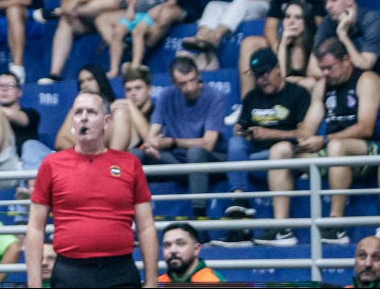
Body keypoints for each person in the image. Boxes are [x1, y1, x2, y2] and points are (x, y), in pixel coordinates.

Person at [27, 91, 158, 288]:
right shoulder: (51, 164)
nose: (84, 118)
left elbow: (146, 227)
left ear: (106, 121)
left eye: (91, 112)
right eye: (78, 113)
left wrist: (151, 282)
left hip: (120, 270)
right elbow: (35, 228)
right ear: (72, 122)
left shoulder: (130, 164)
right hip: (70, 272)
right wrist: (34, 283)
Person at [285, 37, 380, 245]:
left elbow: (366, 127)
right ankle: (281, 229)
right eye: (322, 69)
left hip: (369, 151)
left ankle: (335, 224)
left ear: (346, 60)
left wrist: (325, 139)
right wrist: (301, 139)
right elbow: (309, 127)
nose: (325, 73)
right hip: (333, 153)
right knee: (281, 152)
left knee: (336, 147)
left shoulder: (367, 79)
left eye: (329, 67)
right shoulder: (323, 86)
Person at [215, 48, 311, 247]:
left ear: (278, 69)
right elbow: (241, 128)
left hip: (285, 156)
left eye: (265, 73)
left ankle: (276, 227)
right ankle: (239, 202)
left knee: (279, 149)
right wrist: (241, 131)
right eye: (257, 75)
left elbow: (304, 134)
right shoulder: (252, 97)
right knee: (235, 143)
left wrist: (272, 134)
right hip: (254, 157)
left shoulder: (297, 93)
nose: (261, 80)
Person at [134, 56, 226, 219]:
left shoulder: (214, 96)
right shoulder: (166, 95)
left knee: (195, 152)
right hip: (177, 160)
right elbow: (152, 133)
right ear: (174, 82)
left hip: (209, 160)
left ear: (199, 74)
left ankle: (200, 218)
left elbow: (209, 143)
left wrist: (173, 142)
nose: (190, 87)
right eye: (183, 83)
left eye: (193, 80)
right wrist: (151, 145)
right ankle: (132, 215)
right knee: (135, 155)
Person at [236, 0, 318, 98]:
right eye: (287, 17)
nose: (291, 21)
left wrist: (292, 81)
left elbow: (313, 83)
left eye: (298, 17)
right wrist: (283, 45)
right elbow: (280, 81)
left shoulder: (315, 45)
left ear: (307, 21)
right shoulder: (281, 45)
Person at [313, 0, 380, 71]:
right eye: (325, 2)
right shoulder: (327, 22)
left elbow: (365, 65)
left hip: (373, 77)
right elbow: (312, 68)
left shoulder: (372, 20)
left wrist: (343, 35)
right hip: (342, 78)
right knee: (318, 83)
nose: (328, 6)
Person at [159, 223, 225, 283]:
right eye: (167, 245)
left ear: (196, 249)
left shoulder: (212, 281)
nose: (172, 250)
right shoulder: (160, 283)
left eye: (181, 243)